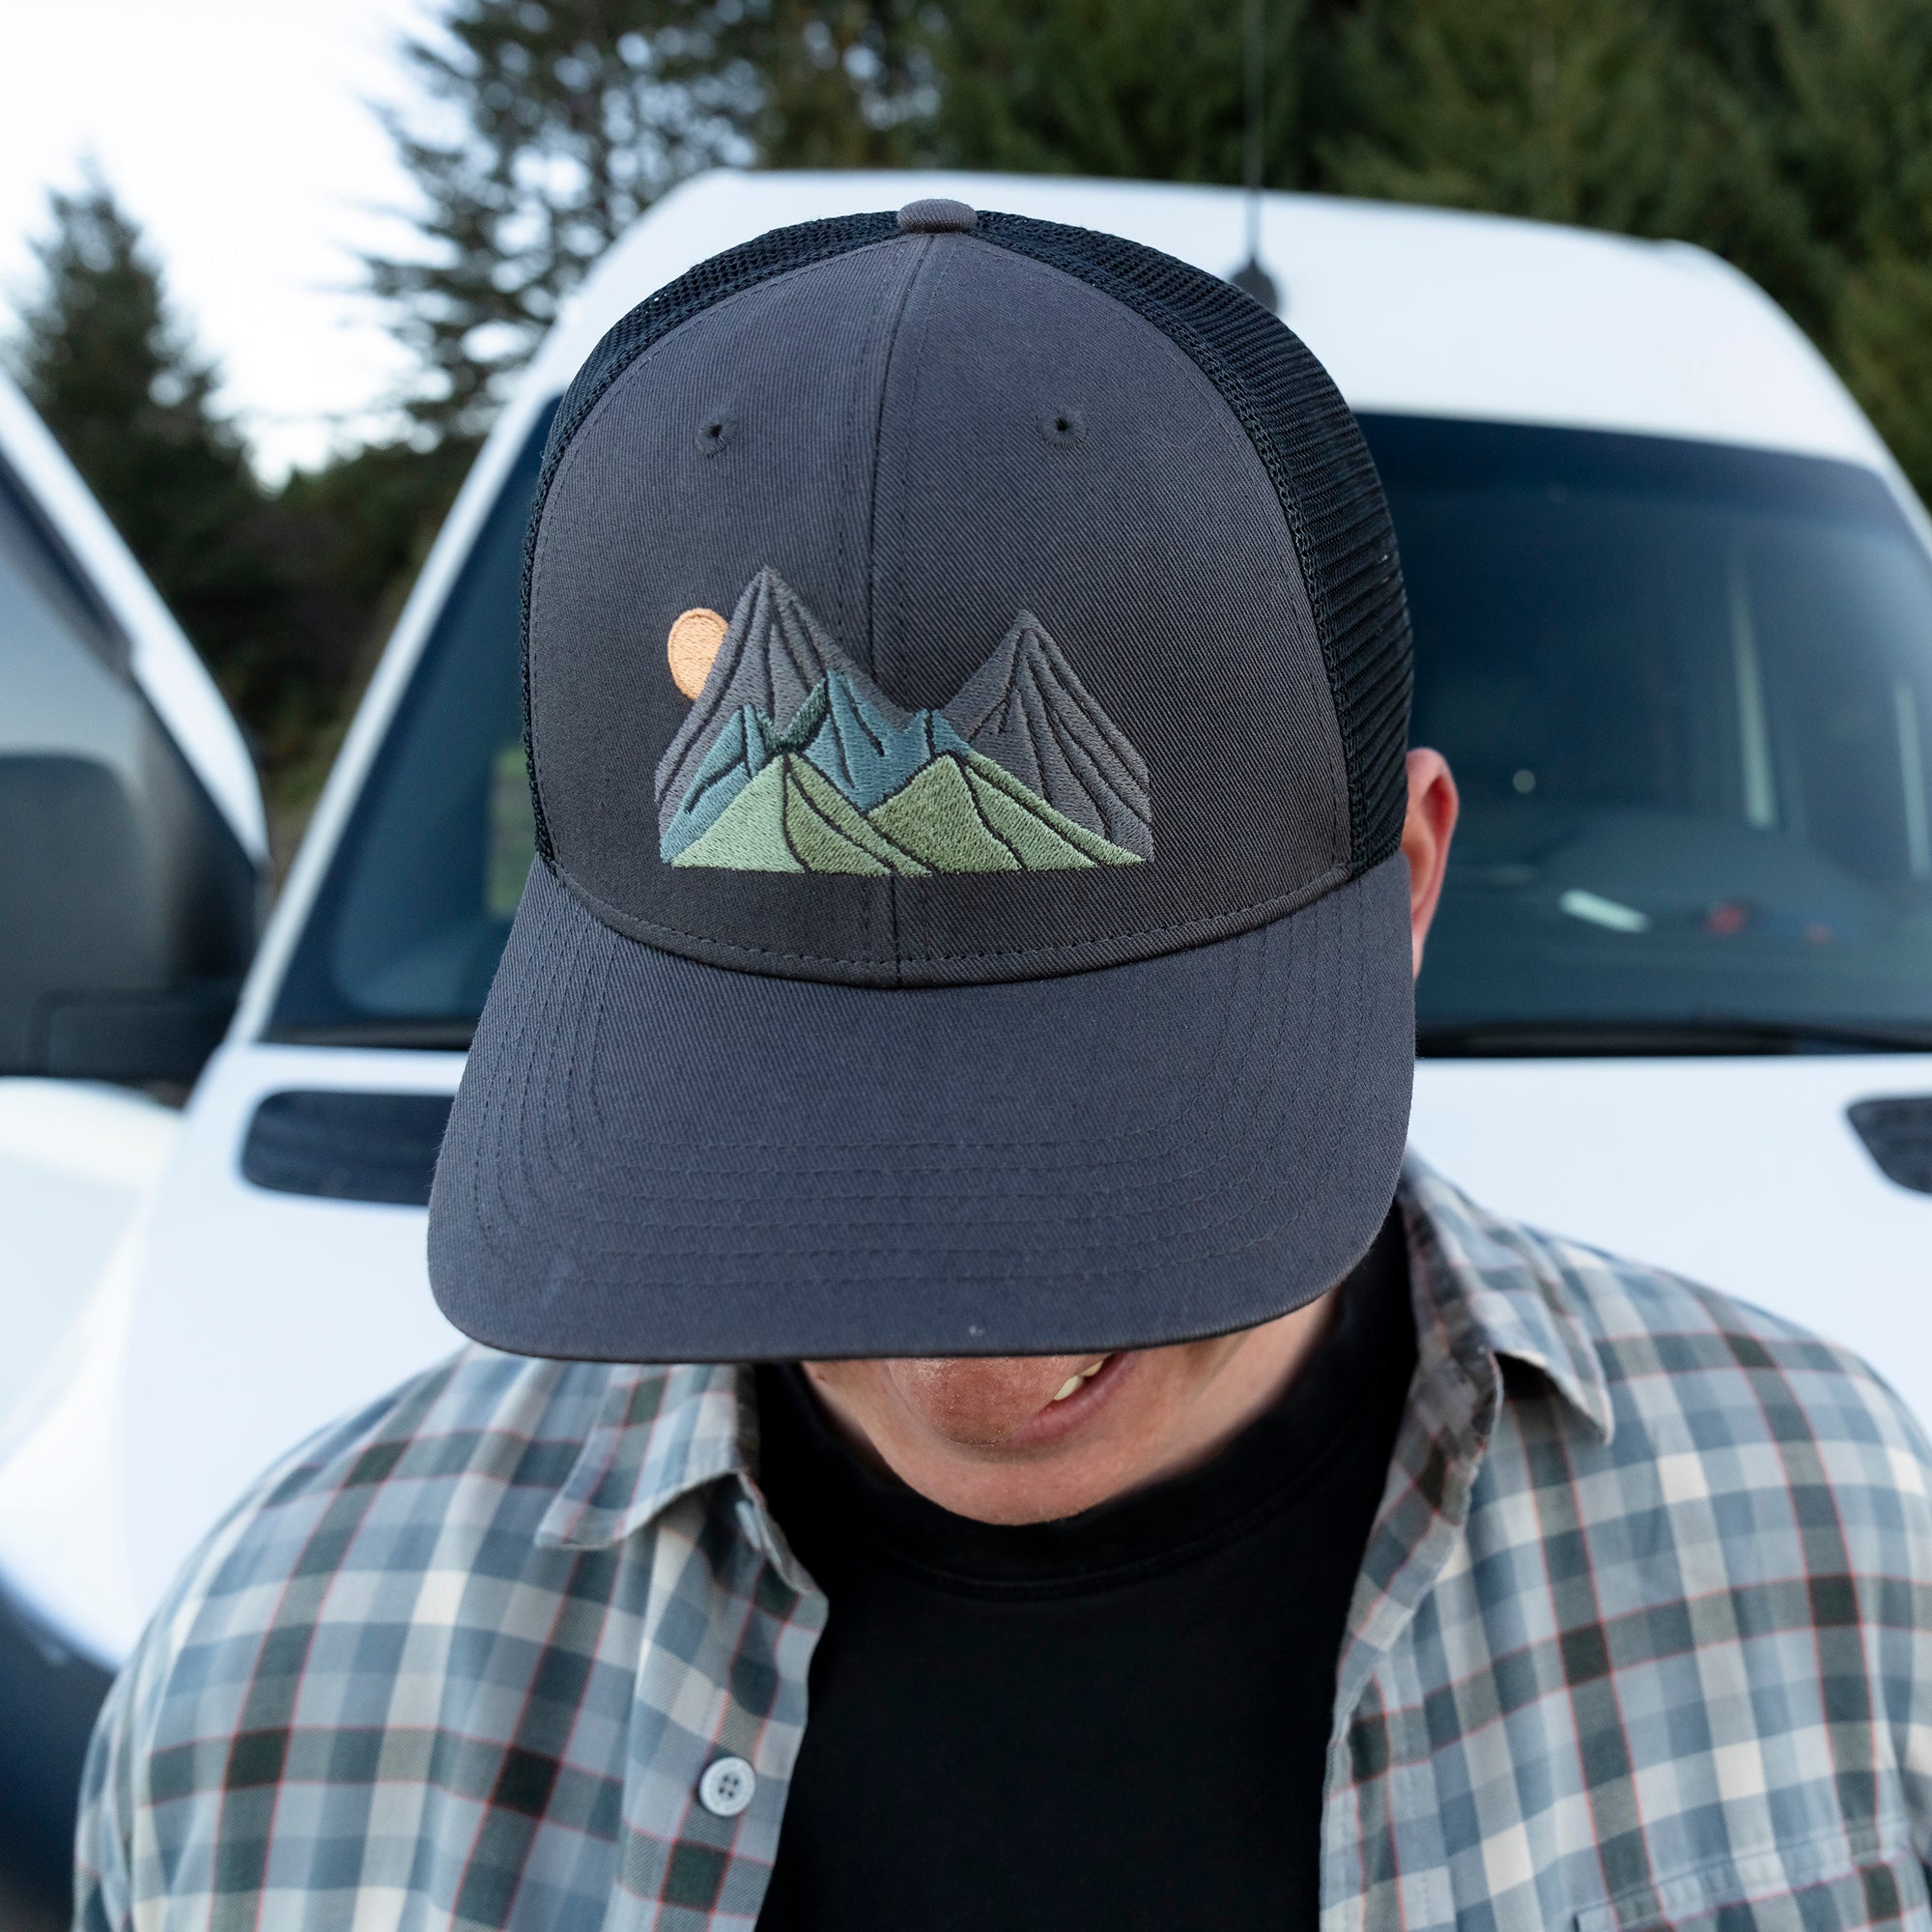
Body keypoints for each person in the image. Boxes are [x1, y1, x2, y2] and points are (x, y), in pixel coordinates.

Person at [77, 200, 1932, 1932]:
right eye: (778, 1139)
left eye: (1110, 1133)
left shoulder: (1848, 1558)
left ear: (1415, 883)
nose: (966, 1336)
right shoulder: (272, 1680)